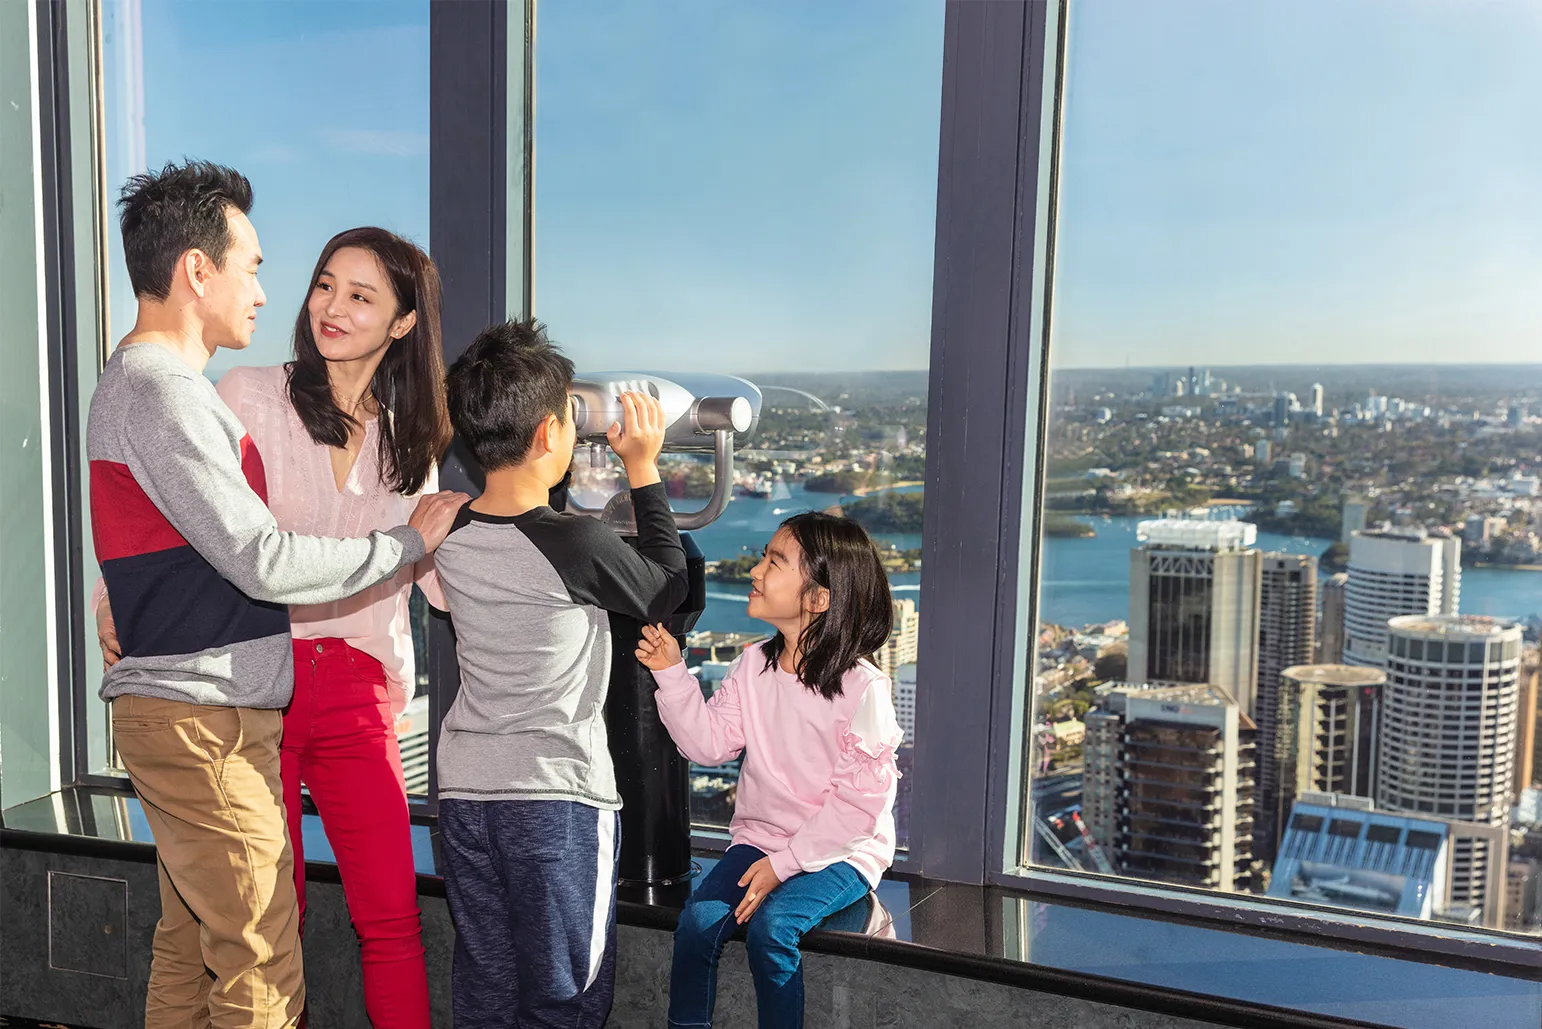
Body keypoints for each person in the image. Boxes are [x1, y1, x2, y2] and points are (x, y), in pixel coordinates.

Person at [86, 160, 466, 1029]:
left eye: (362, 296)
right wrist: (119, 603)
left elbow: (438, 585)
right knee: (261, 933)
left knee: (263, 930)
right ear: (197, 270)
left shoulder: (414, 438)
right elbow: (244, 549)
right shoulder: (234, 393)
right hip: (249, 677)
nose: (327, 303)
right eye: (321, 282)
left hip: (343, 686)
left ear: (404, 322)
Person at [430, 321, 690, 1029]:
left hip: (465, 796)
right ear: (549, 434)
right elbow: (665, 588)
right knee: (564, 997)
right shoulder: (574, 541)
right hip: (554, 800)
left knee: (486, 985)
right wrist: (643, 467)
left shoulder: (447, 532)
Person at [634, 512, 903, 1029]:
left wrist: (787, 865)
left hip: (840, 853)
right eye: (763, 556)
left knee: (775, 927)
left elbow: (859, 809)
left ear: (819, 598)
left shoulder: (863, 689)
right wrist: (671, 672)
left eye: (774, 562)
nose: (756, 571)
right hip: (761, 840)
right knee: (697, 922)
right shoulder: (753, 664)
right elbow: (708, 745)